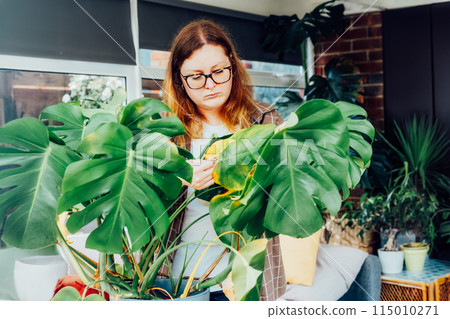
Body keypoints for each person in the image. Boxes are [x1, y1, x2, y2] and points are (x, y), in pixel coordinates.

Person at [159, 19, 286, 301]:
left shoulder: (266, 120)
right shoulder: (164, 129)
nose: (210, 85)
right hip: (179, 282)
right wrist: (176, 176)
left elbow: (293, 194)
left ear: (232, 65)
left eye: (219, 71)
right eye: (196, 76)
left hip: (249, 281)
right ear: (179, 78)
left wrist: (245, 177)